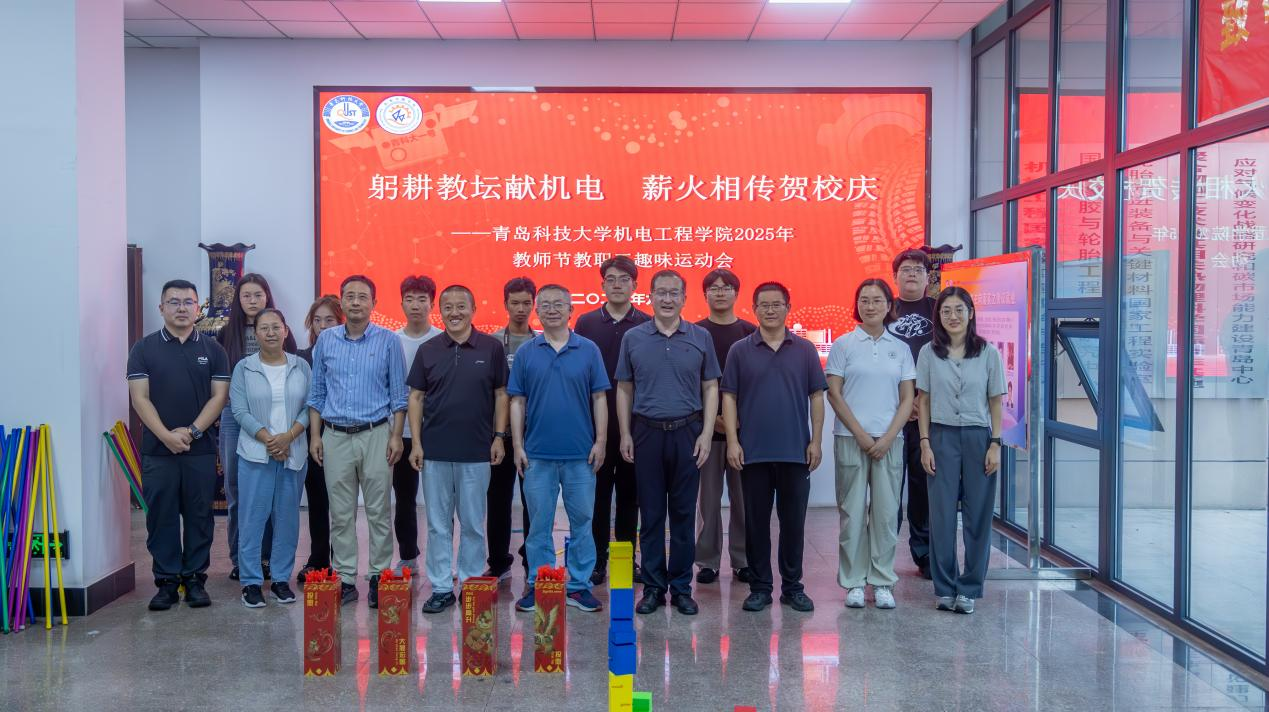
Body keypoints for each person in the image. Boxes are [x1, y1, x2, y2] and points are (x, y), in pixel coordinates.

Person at [616, 269, 719, 616]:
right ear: (650, 297)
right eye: (661, 292)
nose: (667, 299)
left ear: (684, 299)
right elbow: (624, 387)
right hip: (646, 433)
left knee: (684, 515)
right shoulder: (633, 338)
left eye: (674, 293)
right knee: (651, 514)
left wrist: (706, 433)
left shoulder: (701, 337)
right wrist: (626, 432)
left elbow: (710, 386)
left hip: (688, 432)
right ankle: (654, 588)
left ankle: (682, 588)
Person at [722, 282, 826, 613]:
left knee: (793, 523)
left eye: (776, 304)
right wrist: (733, 441)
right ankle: (760, 588)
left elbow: (817, 396)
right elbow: (729, 397)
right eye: (763, 305)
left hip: (796, 451)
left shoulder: (805, 349)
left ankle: (793, 587)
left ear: (787, 308)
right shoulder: (739, 350)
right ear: (754, 309)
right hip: (753, 453)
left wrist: (816, 440)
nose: (770, 310)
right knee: (755, 524)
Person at [126, 279, 229, 610]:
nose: (181, 308)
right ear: (161, 308)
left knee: (200, 516)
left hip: (200, 450)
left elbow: (219, 397)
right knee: (161, 516)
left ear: (198, 308)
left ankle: (195, 579)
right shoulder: (143, 349)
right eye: (174, 302)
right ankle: (167, 582)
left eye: (188, 302)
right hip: (158, 451)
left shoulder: (213, 350)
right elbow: (140, 399)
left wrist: (193, 432)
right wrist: (166, 436)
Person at [307, 275, 408, 609]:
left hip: (376, 434)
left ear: (374, 303)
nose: (355, 302)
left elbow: (399, 396)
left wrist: (396, 436)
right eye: (349, 296)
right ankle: (346, 578)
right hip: (334, 436)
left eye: (362, 297)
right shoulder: (327, 340)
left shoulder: (389, 341)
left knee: (379, 510)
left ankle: (379, 575)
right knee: (340, 512)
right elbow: (317, 393)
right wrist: (315, 436)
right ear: (341, 302)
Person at [508, 284, 609, 614]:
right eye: (546, 305)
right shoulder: (527, 352)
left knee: (583, 522)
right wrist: (518, 445)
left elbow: (599, 398)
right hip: (537, 455)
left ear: (570, 310)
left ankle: (578, 587)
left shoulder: (588, 350)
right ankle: (541, 584)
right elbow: (517, 401)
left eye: (559, 304)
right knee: (538, 525)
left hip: (581, 455)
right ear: (537, 311)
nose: (552, 309)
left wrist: (601, 441)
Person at [408, 285, 508, 614]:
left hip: (477, 452)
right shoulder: (428, 350)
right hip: (435, 452)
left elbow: (501, 394)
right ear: (440, 311)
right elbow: (416, 398)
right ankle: (440, 587)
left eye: (461, 306)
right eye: (448, 306)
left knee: (473, 523)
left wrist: (498, 436)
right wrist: (417, 444)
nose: (454, 312)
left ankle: (471, 582)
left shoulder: (491, 348)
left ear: (473, 309)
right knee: (438, 524)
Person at [826, 279, 916, 610]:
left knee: (886, 513)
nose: (870, 306)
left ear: (889, 306)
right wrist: (862, 436)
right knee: (851, 512)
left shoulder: (901, 349)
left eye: (877, 300)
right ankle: (853, 581)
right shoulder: (843, 344)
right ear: (857, 305)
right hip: (851, 438)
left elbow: (908, 398)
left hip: (890, 441)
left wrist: (888, 437)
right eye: (864, 300)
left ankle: (881, 581)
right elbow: (834, 394)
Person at [917, 287, 1006, 615]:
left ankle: (969, 588)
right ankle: (944, 587)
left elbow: (995, 401)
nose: (952, 316)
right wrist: (925, 443)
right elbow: (923, 401)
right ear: (938, 316)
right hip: (941, 437)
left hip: (978, 437)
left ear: (970, 313)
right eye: (946, 311)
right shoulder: (928, 352)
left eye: (959, 310)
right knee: (941, 515)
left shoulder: (988, 353)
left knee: (977, 515)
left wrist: (995, 443)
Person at [575, 255, 651, 586]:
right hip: (596, 428)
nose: (617, 284)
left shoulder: (647, 323)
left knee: (630, 498)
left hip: (636, 426)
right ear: (602, 284)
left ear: (635, 285)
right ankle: (596, 561)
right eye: (611, 279)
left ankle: (626, 559)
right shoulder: (586, 323)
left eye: (624, 279)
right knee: (598, 497)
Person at [229, 308, 310, 608]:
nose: (271, 332)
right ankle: (251, 582)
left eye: (276, 327)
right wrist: (269, 440)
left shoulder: (301, 366)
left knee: (287, 519)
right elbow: (239, 410)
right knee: (252, 519)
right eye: (264, 328)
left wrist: (288, 437)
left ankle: (280, 580)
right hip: (255, 455)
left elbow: (311, 406)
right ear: (256, 334)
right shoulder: (244, 368)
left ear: (286, 330)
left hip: (292, 453)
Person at [218, 274, 295, 581]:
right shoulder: (226, 334)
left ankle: (267, 558)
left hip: (275, 420)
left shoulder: (282, 331)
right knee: (238, 491)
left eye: (258, 295)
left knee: (273, 491)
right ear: (238, 300)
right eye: (246, 295)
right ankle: (241, 558)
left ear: (267, 297)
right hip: (235, 417)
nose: (252, 301)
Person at [693, 268, 757, 585]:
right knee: (707, 500)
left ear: (736, 293)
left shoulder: (750, 332)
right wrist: (711, 419)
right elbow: (689, 381)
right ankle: (707, 560)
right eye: (714, 288)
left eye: (726, 287)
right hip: (705, 431)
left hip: (743, 432)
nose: (720, 292)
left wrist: (734, 420)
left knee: (743, 500)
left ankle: (743, 560)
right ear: (704, 294)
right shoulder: (694, 333)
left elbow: (757, 383)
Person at [886, 249, 937, 579]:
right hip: (890, 412)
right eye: (906, 269)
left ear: (928, 276)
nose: (912, 274)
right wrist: (903, 403)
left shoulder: (939, 309)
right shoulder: (883, 308)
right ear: (895, 276)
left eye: (918, 269)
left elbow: (948, 357)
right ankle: (883, 554)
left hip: (927, 414)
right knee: (889, 485)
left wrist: (921, 401)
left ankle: (924, 552)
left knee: (923, 485)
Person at [486, 277, 538, 584]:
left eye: (526, 303)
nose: (521, 308)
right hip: (499, 436)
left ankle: (532, 559)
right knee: (497, 501)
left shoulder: (541, 343)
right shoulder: (492, 343)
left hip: (533, 435)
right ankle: (498, 562)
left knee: (533, 501)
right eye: (515, 303)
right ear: (505, 304)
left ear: (533, 304)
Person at [393, 275, 443, 575]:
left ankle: (442, 559)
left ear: (432, 303)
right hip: (403, 433)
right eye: (409, 299)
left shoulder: (442, 339)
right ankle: (408, 556)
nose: (415, 305)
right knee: (405, 499)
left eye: (422, 299)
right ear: (401, 304)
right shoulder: (391, 341)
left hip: (437, 432)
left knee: (441, 501)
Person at [296, 295, 343, 584]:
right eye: (317, 320)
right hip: (309, 437)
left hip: (341, 434)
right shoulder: (300, 357)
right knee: (316, 501)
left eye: (330, 320)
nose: (323, 326)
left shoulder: (348, 354)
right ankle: (318, 560)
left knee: (341, 503)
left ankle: (343, 562)